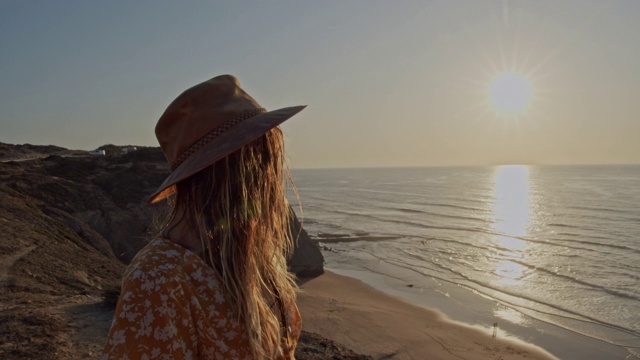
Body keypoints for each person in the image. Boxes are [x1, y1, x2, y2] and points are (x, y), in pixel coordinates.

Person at [102, 74, 306, 359]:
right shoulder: (158, 281)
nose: (270, 177)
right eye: (260, 158)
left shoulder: (242, 254)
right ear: (224, 170)